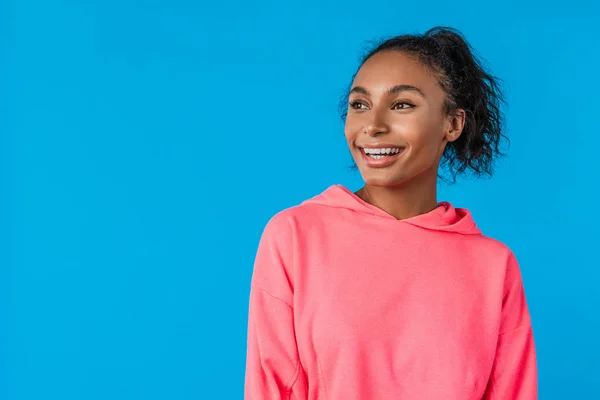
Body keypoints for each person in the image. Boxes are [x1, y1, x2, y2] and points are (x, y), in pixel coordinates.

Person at [244, 26, 538, 399]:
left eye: (402, 105)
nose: (374, 126)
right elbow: (270, 385)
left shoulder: (494, 267)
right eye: (360, 105)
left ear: (452, 124)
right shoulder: (296, 236)